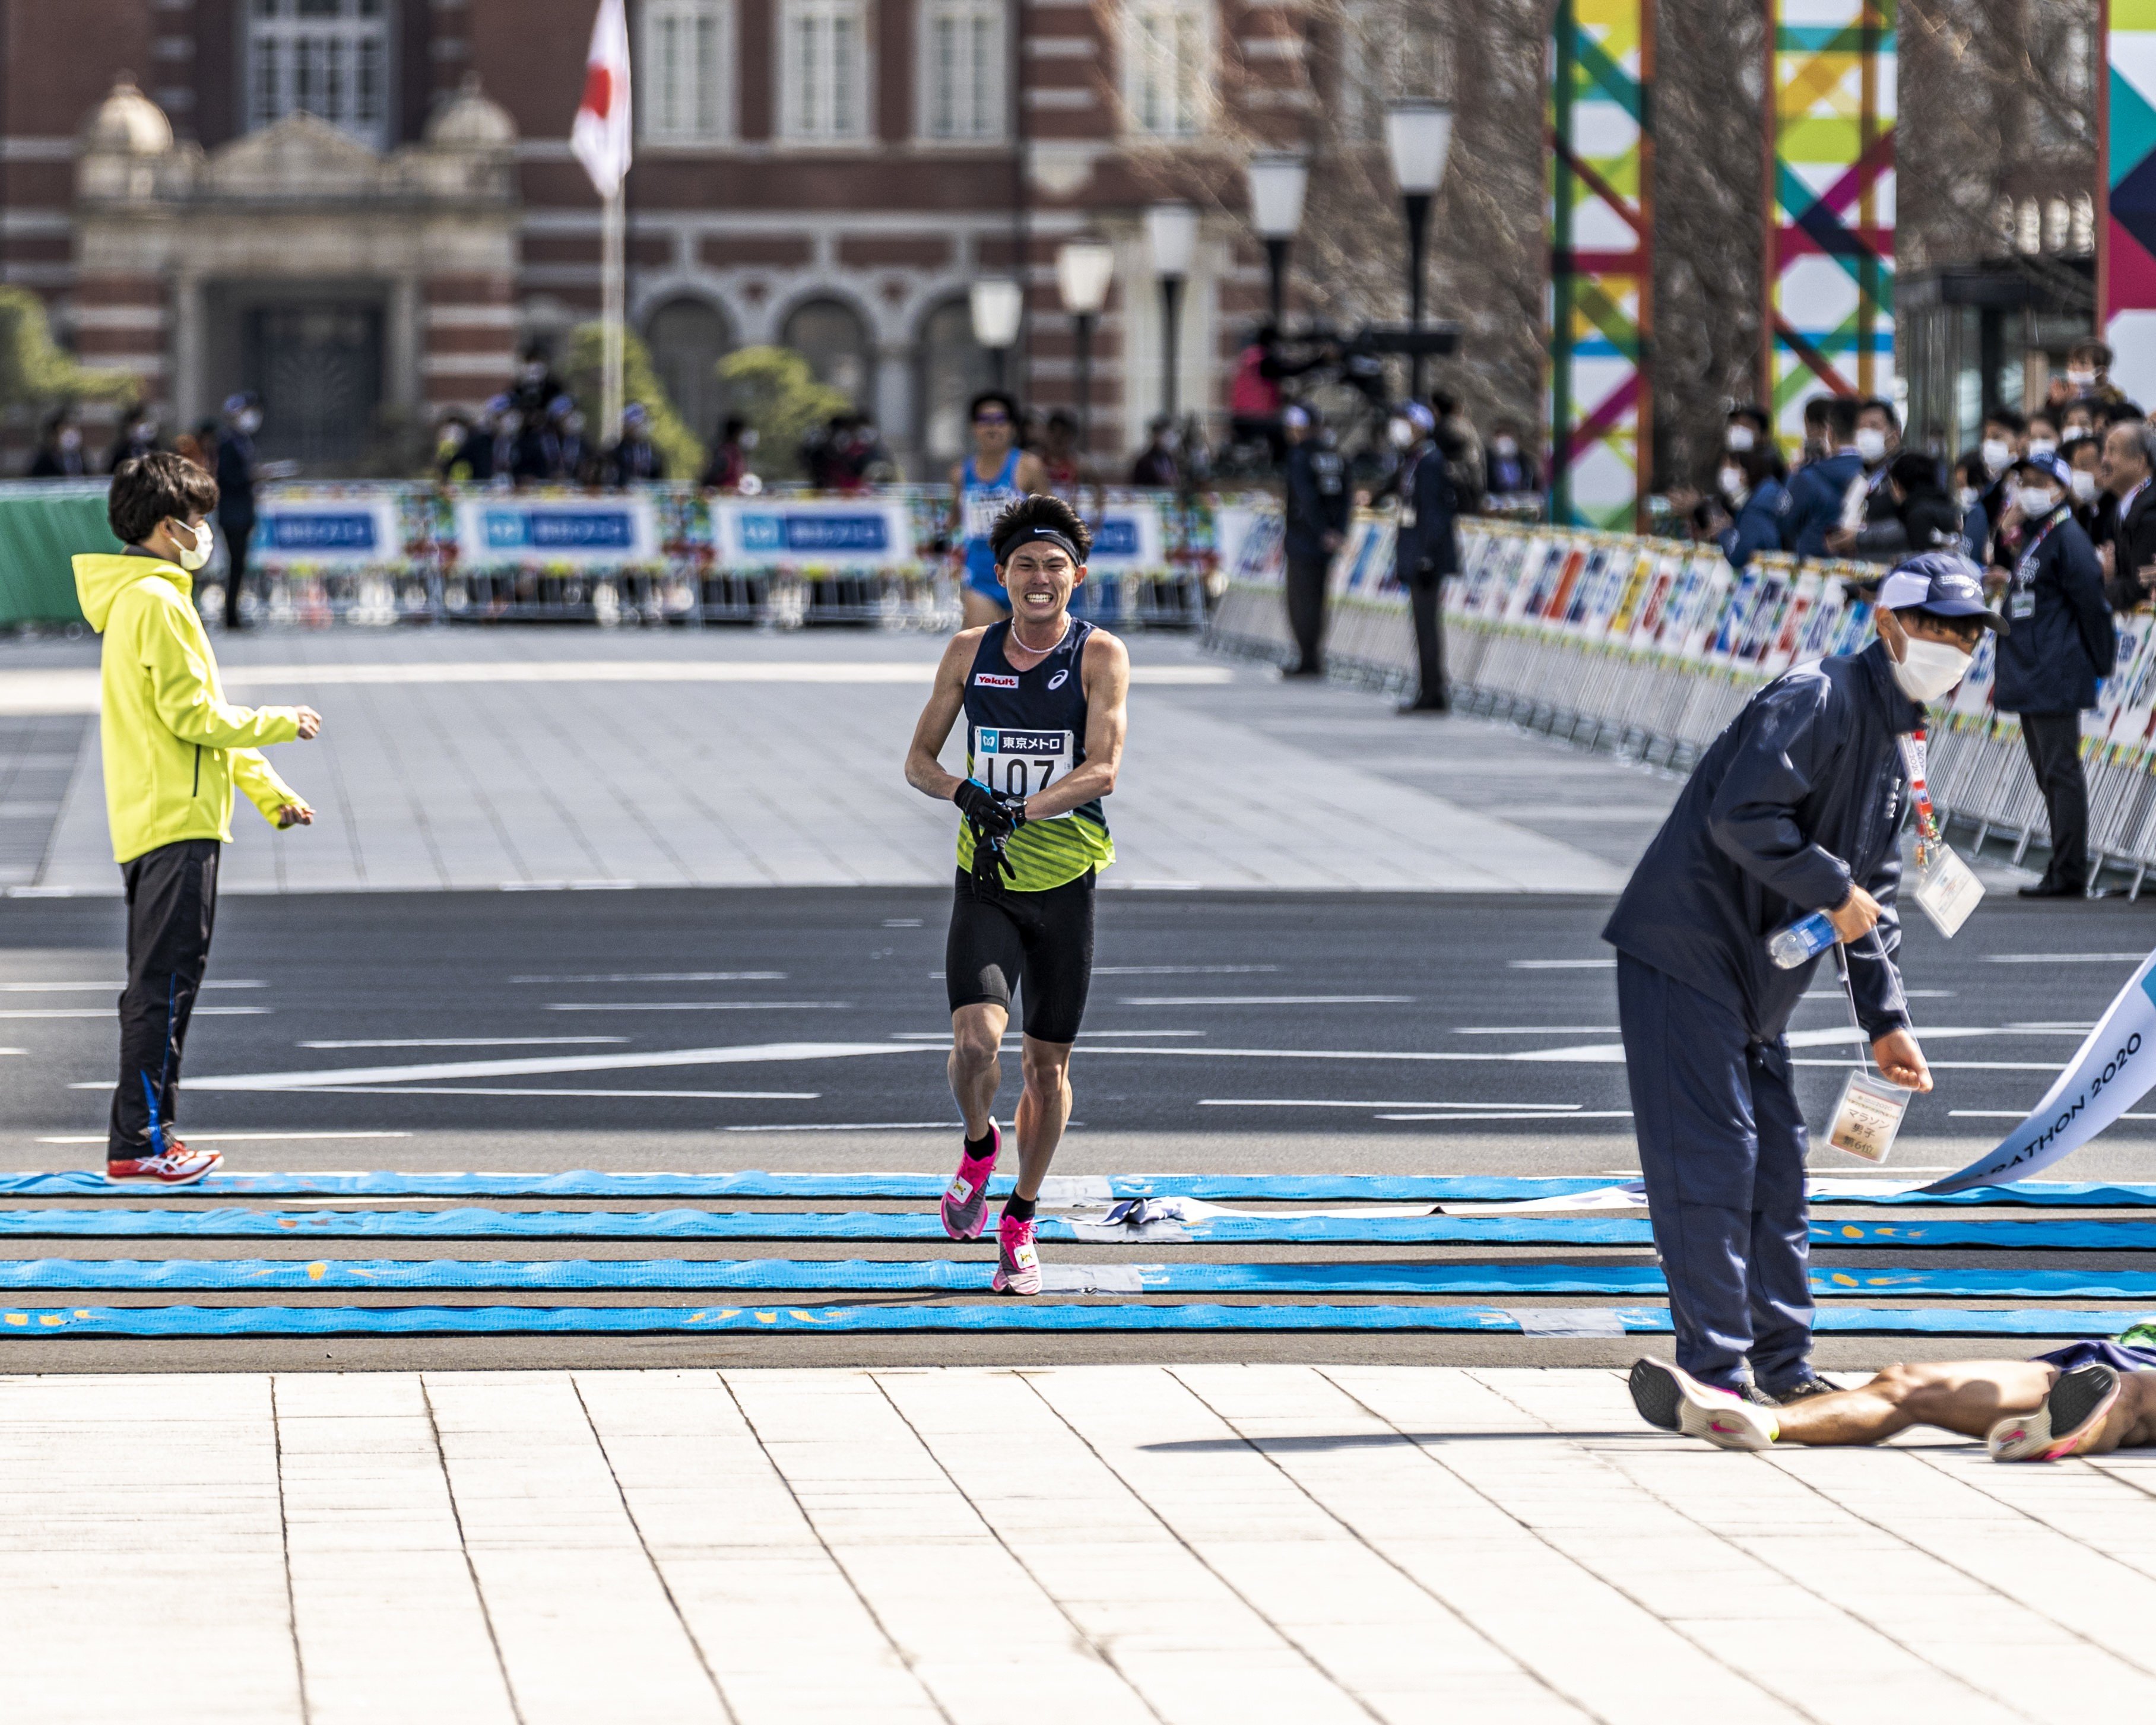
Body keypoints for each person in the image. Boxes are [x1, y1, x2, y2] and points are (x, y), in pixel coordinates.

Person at [1601, 552, 2003, 1403]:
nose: (1954, 648)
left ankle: (1784, 1369)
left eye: (1967, 636)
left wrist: (1886, 1020)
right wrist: (1836, 887)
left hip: (1755, 982)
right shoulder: (1818, 696)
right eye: (1938, 628)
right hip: (1688, 951)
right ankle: (1714, 1373)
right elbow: (1742, 813)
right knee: (1714, 1165)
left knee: (1778, 1169)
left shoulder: (1898, 736)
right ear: (1887, 624)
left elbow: (1877, 898)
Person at [71, 454, 321, 1185]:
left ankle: (145, 1137)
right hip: (178, 819)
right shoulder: (159, 601)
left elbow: (192, 725)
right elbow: (196, 716)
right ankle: (141, 1141)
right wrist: (281, 722)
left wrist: (269, 791)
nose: (205, 531)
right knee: (165, 985)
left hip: (155, 812)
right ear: (165, 526)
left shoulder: (136, 598)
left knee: (158, 981)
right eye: (198, 519)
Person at [902, 493, 1128, 1297]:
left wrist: (1025, 807)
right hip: (989, 881)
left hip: (1066, 882)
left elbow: (1103, 768)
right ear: (1002, 576)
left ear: (1078, 577)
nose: (1040, 580)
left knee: (1046, 1070)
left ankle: (1021, 1216)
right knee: (975, 1045)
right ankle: (976, 1147)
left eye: (1054, 566)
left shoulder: (1100, 655)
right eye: (1025, 565)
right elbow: (918, 761)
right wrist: (969, 796)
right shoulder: (970, 649)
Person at [1629, 1333, 2156, 1461]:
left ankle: (2051, 1434)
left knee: (2124, 1394)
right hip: (2107, 1355)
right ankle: (1755, 1422)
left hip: (2133, 1376)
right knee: (1906, 1383)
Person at [1988, 451, 2114, 899]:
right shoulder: (2043, 536)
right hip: (2033, 668)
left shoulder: (2069, 538)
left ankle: (2069, 871)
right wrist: (2008, 534)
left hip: (2054, 669)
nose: (2029, 488)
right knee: (2049, 773)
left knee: (2060, 772)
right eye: (2024, 479)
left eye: (2040, 480)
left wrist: (2101, 662)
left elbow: (2092, 604)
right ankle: (2062, 866)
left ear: (2061, 489)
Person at [950, 391, 1048, 630]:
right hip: (982, 578)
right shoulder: (960, 474)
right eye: (985, 421)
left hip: (1025, 577)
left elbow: (1052, 518)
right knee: (975, 649)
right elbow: (955, 521)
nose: (992, 428)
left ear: (1013, 427)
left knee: (1027, 658)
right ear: (974, 427)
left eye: (1000, 421)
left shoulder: (1028, 467)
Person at [1391, 401, 1459, 714]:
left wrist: (1427, 556)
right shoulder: (1414, 460)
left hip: (1425, 557)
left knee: (1427, 626)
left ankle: (1432, 692)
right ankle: (1428, 688)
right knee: (1421, 626)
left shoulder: (1430, 462)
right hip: (1416, 552)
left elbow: (1434, 513)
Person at [1282, 405, 1349, 677]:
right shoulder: (1335, 455)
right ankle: (1313, 656)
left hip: (1305, 539)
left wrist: (1322, 531)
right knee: (1319, 600)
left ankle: (1308, 657)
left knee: (1301, 602)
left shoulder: (1300, 456)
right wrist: (1337, 531)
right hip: (1325, 541)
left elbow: (1307, 498)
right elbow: (1346, 498)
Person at [1838, 450, 1964, 562]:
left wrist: (1858, 540)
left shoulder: (1917, 515)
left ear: (1897, 485)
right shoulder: (1947, 507)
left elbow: (1913, 560)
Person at [1784, 397, 1866, 557]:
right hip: (1866, 570)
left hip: (1816, 571)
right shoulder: (1878, 474)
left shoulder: (1808, 476)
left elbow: (1785, 523)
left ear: (1830, 433)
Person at [2098, 418, 2156, 612]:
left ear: (2140, 462)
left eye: (2112, 451)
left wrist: (2106, 582)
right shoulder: (2124, 508)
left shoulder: (2150, 514)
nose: (2104, 460)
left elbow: (2140, 589)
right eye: (2104, 451)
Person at [215, 393, 262, 631]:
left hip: (243, 511)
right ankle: (230, 616)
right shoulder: (228, 442)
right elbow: (228, 477)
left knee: (240, 565)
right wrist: (251, 477)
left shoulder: (244, 441)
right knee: (234, 565)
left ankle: (235, 613)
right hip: (233, 512)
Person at [1713, 442, 1790, 570]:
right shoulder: (1763, 500)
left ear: (1747, 473)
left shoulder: (1757, 510)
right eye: (1724, 467)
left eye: (1732, 466)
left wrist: (1725, 533)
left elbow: (1738, 556)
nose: (1725, 473)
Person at [604, 402, 665, 486]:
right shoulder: (616, 451)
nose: (641, 427)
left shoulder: (652, 451)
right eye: (636, 425)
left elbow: (658, 478)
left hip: (647, 494)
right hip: (623, 495)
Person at [1485, 422, 1540, 498]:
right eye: (1502, 436)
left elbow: (1530, 483)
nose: (1506, 442)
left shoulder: (1523, 461)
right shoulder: (1487, 461)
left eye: (1509, 436)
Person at [28, 409, 89, 478]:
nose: (69, 436)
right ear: (53, 436)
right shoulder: (44, 460)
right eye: (63, 431)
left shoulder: (81, 457)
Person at [700, 416, 756, 490]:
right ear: (736, 433)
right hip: (723, 499)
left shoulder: (737, 453)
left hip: (734, 499)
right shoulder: (725, 454)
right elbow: (708, 480)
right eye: (742, 432)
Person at [1130, 416, 1180, 487]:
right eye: (1165, 435)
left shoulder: (1172, 459)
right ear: (1155, 436)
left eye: (1170, 436)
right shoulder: (1144, 462)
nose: (1168, 439)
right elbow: (1139, 488)